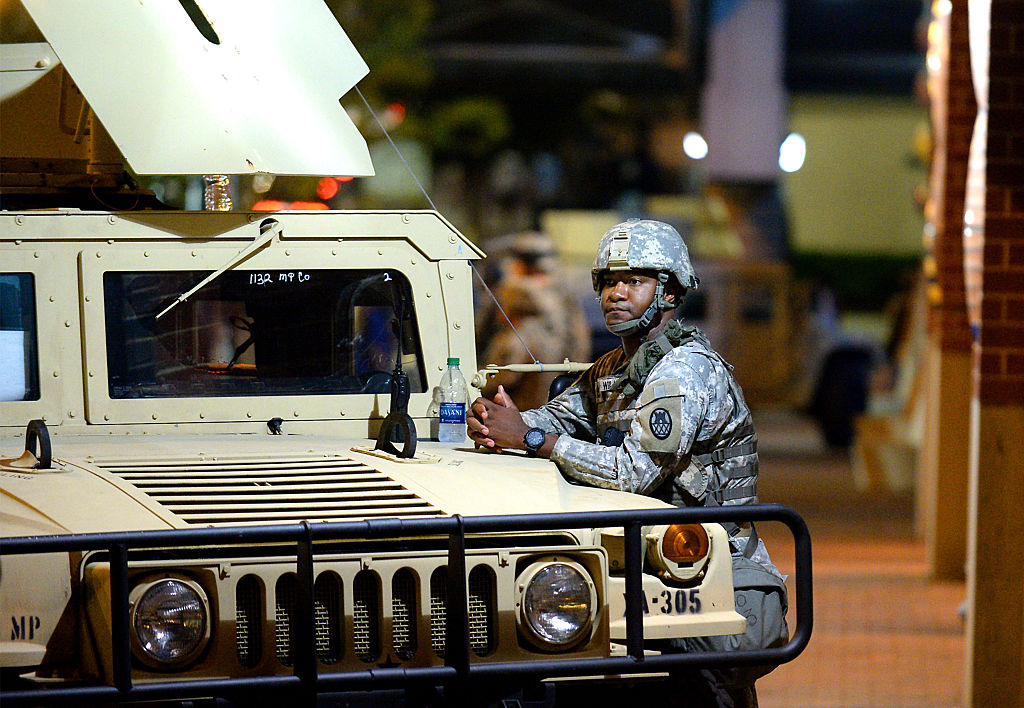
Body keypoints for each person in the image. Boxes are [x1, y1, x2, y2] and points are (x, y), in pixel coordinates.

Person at [468, 219, 788, 708]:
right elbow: (561, 415)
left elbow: (634, 472)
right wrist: (500, 418)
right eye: (608, 282)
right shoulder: (616, 368)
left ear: (669, 294)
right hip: (640, 570)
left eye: (634, 282)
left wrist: (531, 438)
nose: (616, 293)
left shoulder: (682, 371)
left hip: (704, 577)